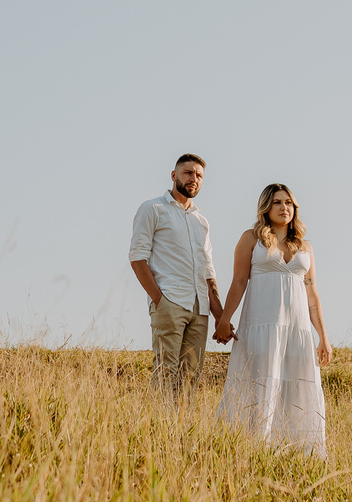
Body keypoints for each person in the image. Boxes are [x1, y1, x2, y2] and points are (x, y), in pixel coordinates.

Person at [214, 183, 331, 454]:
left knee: (297, 386)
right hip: (261, 325)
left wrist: (323, 337)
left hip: (297, 330)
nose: (284, 208)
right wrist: (224, 319)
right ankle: (251, 449)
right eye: (277, 202)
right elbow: (239, 281)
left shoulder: (306, 247)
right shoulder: (250, 239)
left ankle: (297, 451)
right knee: (260, 382)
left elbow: (312, 294)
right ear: (266, 207)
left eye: (288, 203)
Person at [129, 154, 226, 396]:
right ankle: (161, 429)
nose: (194, 179)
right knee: (165, 370)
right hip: (170, 301)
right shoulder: (153, 208)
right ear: (174, 176)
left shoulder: (201, 221)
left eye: (199, 176)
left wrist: (220, 316)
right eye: (188, 173)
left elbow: (208, 270)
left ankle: (181, 431)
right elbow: (137, 257)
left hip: (200, 308)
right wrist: (159, 299)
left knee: (191, 375)